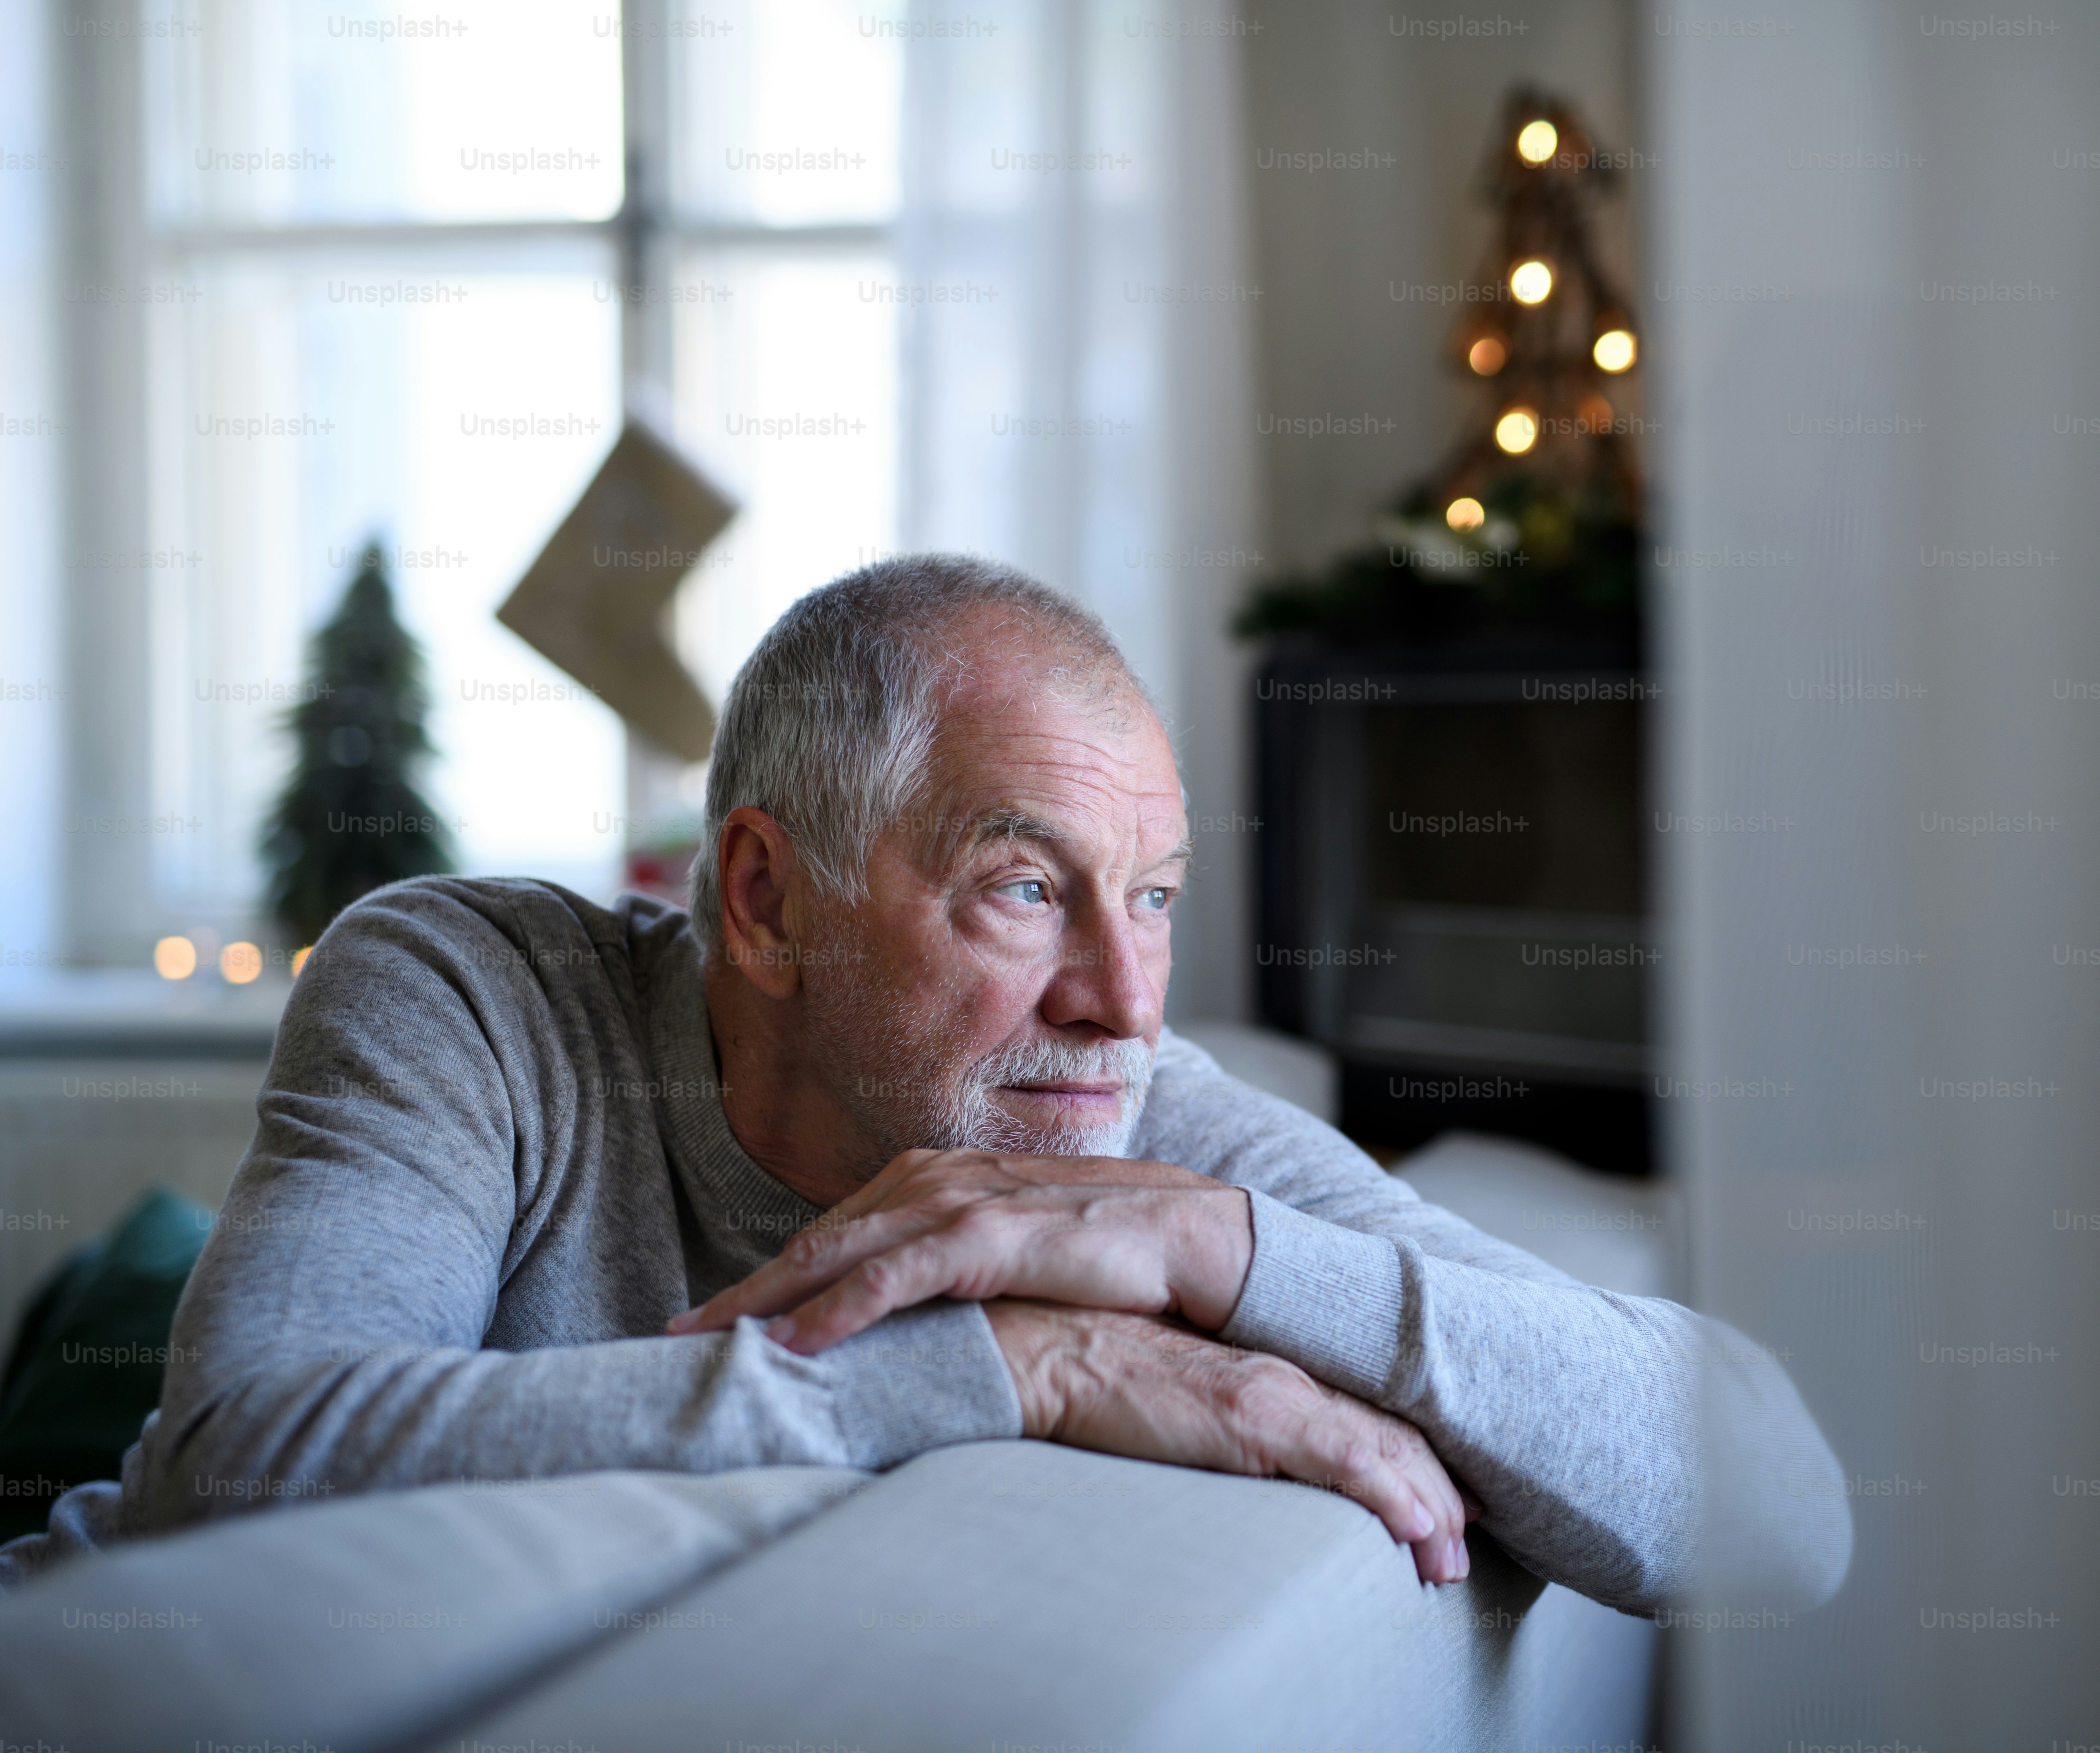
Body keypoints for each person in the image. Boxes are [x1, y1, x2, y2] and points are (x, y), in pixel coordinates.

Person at [6, 555, 1850, 1614]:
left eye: (1155, 900)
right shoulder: (472, 988)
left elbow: (1779, 1507)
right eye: (1027, 889)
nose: (1123, 999)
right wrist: (1013, 1369)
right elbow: (240, 1466)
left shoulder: (1145, 1145)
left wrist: (1228, 1250)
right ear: (763, 899)